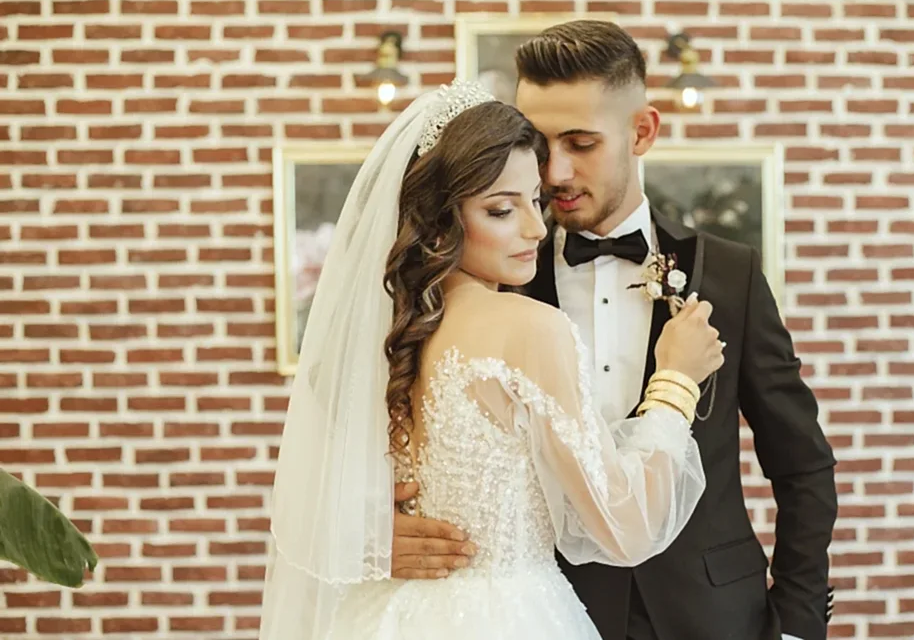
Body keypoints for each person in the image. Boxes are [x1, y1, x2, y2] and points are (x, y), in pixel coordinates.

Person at [390, 21, 839, 640]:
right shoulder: (497, 278)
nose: (555, 172)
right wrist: (377, 536)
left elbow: (801, 461)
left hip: (714, 615)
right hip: (547, 613)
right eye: (539, 145)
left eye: (581, 143)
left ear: (642, 132)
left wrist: (798, 621)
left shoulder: (728, 273)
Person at [258, 80, 723, 640]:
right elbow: (625, 528)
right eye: (501, 210)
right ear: (438, 221)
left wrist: (367, 532)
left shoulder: (386, 337)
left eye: (536, 200)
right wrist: (675, 382)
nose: (535, 228)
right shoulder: (530, 328)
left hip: (383, 616)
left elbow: (314, 494)